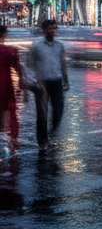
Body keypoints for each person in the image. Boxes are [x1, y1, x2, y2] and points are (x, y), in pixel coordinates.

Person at [26, 19, 69, 148]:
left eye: (55, 29)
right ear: (44, 30)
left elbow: (62, 63)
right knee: (42, 113)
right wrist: (34, 79)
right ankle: (43, 141)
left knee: (58, 110)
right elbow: (29, 63)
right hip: (42, 83)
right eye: (50, 29)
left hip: (56, 81)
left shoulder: (59, 46)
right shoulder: (37, 46)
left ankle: (51, 134)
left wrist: (66, 80)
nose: (53, 31)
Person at [0, 26, 23, 143]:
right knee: (5, 111)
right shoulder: (10, 51)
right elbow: (18, 69)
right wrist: (22, 83)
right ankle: (6, 143)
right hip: (4, 86)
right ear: (4, 35)